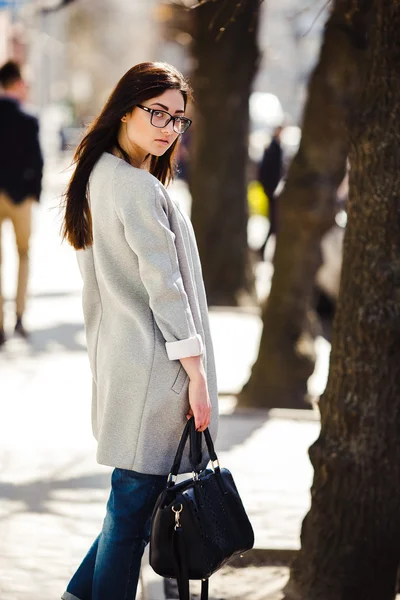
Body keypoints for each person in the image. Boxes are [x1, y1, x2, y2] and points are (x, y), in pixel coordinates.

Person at [61, 62, 218, 600]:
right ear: (126, 108)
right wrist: (196, 375)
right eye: (156, 112)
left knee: (126, 512)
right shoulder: (137, 189)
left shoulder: (94, 174)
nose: (168, 128)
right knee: (129, 521)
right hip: (157, 375)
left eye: (178, 119)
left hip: (124, 366)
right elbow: (166, 289)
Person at [0, 61, 43, 345]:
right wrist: (33, 194)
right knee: (23, 255)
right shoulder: (28, 119)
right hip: (20, 198)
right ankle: (18, 316)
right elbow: (37, 162)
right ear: (16, 83)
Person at [257, 125, 283, 259]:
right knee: (274, 223)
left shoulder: (274, 146)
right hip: (272, 190)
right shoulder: (273, 148)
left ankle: (263, 250)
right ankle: (263, 249)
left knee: (274, 223)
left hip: (272, 189)